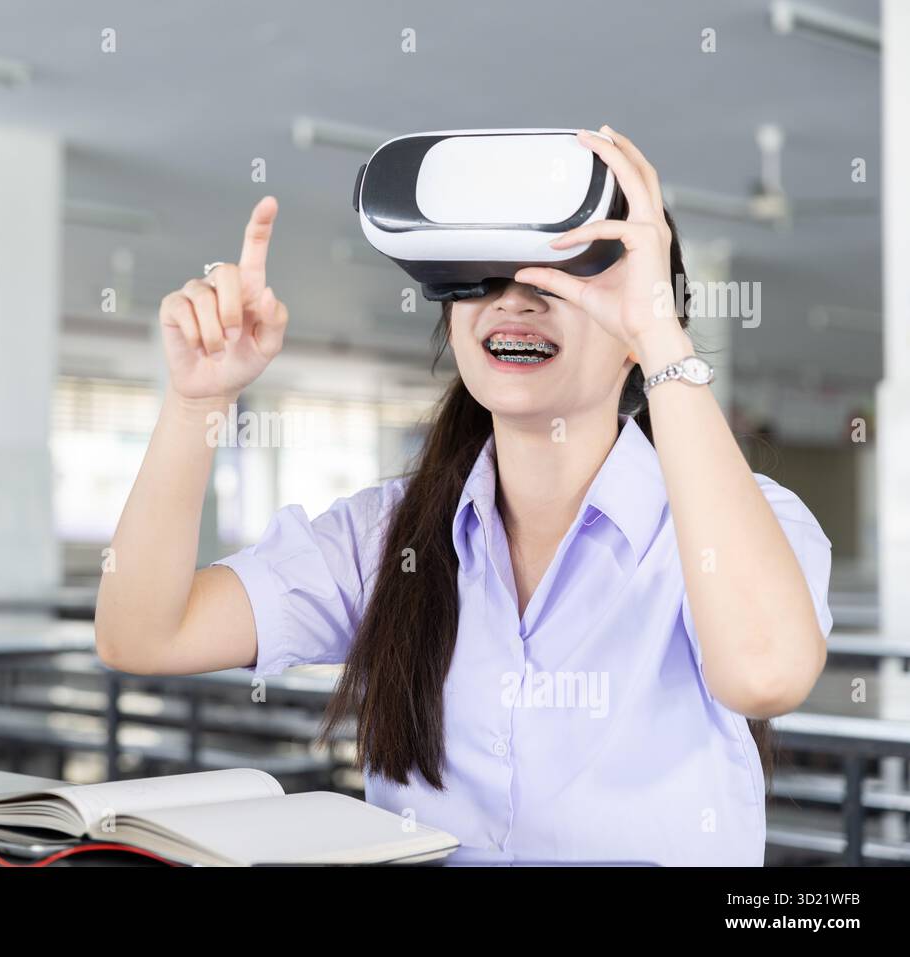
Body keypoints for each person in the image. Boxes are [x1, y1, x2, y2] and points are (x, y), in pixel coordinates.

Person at [95, 126, 832, 865]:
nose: (515, 301)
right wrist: (198, 402)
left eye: (563, 276)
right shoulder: (386, 536)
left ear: (640, 324)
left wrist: (665, 341)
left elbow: (764, 672)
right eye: (480, 276)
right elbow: (143, 633)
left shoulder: (743, 521)